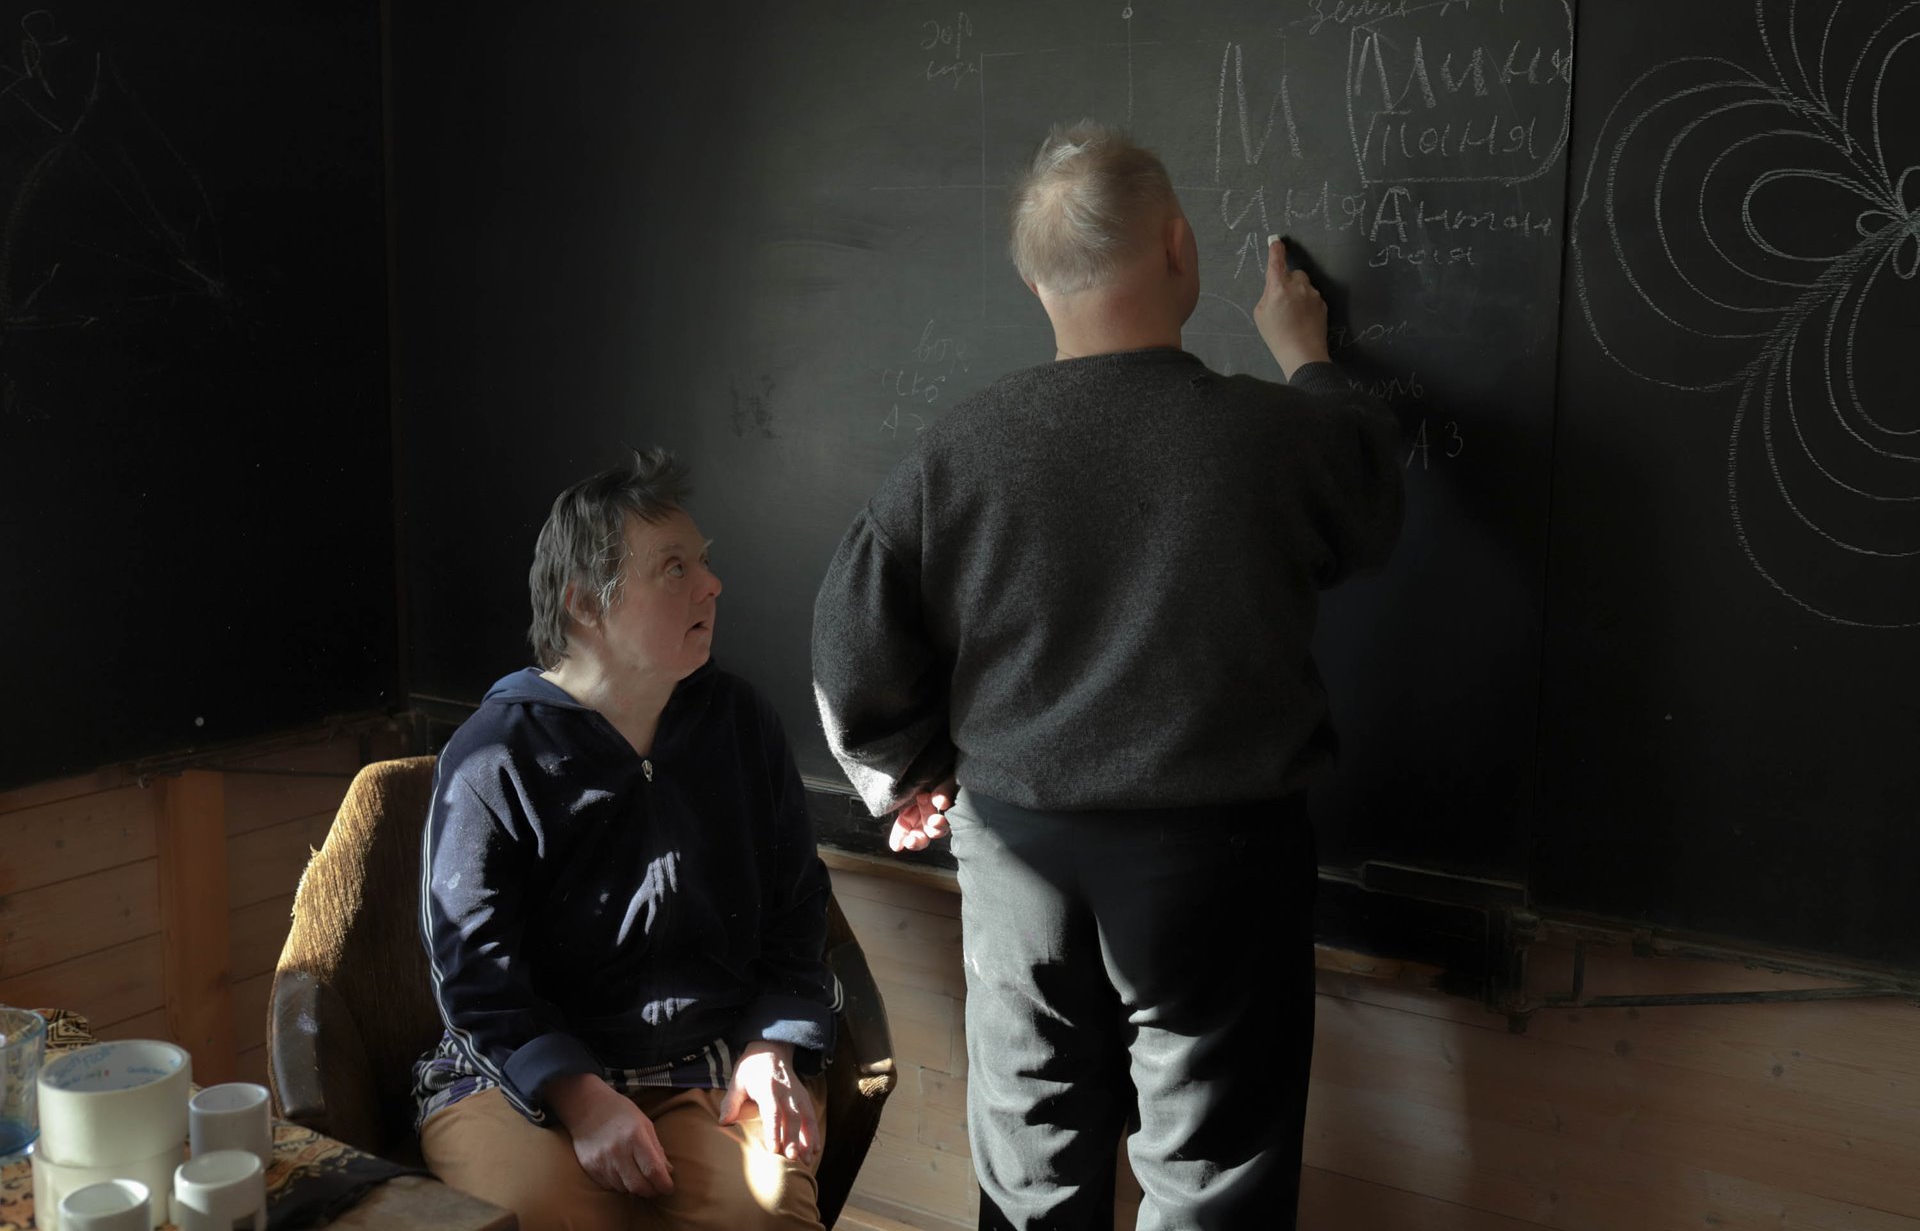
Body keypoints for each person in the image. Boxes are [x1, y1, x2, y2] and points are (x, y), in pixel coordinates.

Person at [810, 121, 1404, 1230]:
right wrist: (1310, 361)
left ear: (1033, 280)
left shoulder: (961, 447)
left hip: (1019, 855)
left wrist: (904, 769)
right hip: (1218, 855)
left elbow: (851, 642)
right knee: (1212, 1176)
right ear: (1181, 248)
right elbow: (1370, 503)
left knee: (1032, 1173)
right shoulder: (1271, 434)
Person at [416, 449, 840, 1231]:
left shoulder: (741, 722)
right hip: (532, 1077)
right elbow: (477, 976)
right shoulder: (491, 756)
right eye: (673, 568)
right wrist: (581, 1100)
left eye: (704, 563)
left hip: (713, 1057)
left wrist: (771, 1048)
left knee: (765, 1219)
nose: (711, 586)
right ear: (586, 605)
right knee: (529, 1216)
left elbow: (796, 908)